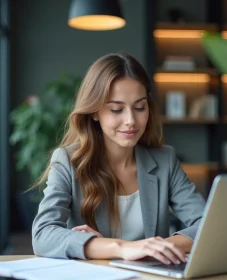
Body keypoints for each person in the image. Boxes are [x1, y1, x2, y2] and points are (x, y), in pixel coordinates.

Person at [31, 53, 206, 266]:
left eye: (140, 107)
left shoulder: (165, 160)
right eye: (116, 109)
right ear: (95, 111)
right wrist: (121, 248)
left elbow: (207, 225)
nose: (131, 121)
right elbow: (43, 234)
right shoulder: (67, 161)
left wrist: (155, 248)